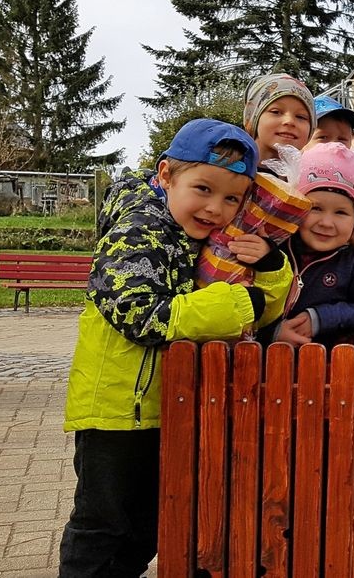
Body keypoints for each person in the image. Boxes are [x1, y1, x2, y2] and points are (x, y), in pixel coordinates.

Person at [60, 119, 292, 576]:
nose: (214, 208)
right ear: (166, 175)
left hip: (169, 406)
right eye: (203, 189)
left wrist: (268, 267)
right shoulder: (138, 229)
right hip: (115, 412)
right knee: (103, 526)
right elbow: (138, 313)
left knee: (146, 526)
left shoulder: (203, 239)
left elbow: (257, 313)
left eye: (231, 199)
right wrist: (237, 302)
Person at [257, 143, 354, 348]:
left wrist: (322, 318)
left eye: (341, 212)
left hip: (331, 366)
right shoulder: (274, 246)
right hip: (256, 363)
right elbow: (245, 304)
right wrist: (271, 333)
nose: (326, 223)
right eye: (316, 208)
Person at [242, 73, 316, 165]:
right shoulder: (225, 169)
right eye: (276, 112)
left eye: (301, 117)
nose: (289, 121)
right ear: (253, 118)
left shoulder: (313, 175)